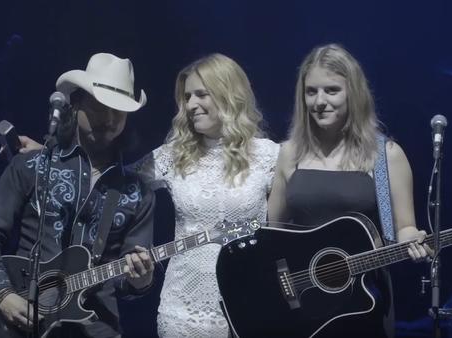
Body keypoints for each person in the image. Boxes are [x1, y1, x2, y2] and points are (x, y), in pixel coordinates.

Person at [18, 53, 280, 337]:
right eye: (187, 97)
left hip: (252, 303)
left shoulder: (270, 156)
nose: (191, 105)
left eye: (201, 95)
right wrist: (50, 156)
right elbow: (105, 176)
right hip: (184, 311)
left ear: (229, 94)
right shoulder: (174, 156)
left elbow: (287, 230)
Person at [0, 53, 156, 338]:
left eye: (119, 111)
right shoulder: (33, 165)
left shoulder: (137, 191)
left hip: (97, 326)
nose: (109, 118)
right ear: (76, 104)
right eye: (100, 106)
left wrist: (141, 280)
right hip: (20, 317)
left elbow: (128, 283)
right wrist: (4, 294)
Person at [267, 43, 433, 337]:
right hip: (301, 303)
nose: (319, 101)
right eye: (311, 91)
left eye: (331, 90)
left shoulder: (385, 156)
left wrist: (413, 239)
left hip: (362, 302)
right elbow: (272, 231)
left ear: (353, 94)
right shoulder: (288, 153)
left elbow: (404, 227)